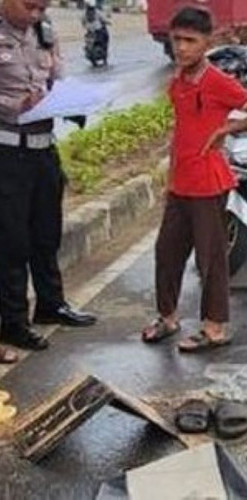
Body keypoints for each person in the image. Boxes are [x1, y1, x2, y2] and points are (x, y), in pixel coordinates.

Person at [141, 7, 247, 353]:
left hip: (208, 185)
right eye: (176, 40)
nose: (182, 48)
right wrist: (169, 176)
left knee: (210, 258)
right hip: (180, 184)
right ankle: (167, 317)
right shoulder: (179, 81)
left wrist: (226, 129)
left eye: (190, 41)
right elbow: (181, 131)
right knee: (166, 253)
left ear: (206, 42)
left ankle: (214, 328)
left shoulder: (218, 82)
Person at [0, 0, 97, 364]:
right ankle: (12, 322)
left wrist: (71, 101)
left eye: (42, 7)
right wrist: (15, 107)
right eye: (30, 6)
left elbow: (57, 78)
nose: (37, 14)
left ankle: (51, 305)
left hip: (44, 151)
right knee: (12, 243)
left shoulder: (45, 31)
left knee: (46, 234)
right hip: (8, 153)